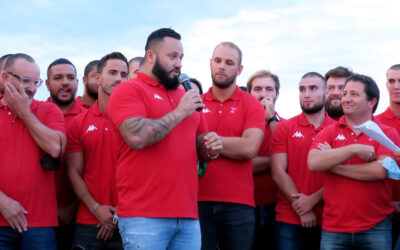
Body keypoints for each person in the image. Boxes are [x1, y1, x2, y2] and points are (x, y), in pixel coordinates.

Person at [107, 28, 222, 250]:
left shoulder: (185, 96)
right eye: (172, 56)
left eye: (181, 57)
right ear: (150, 56)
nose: (178, 63)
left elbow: (201, 148)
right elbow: (136, 137)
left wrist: (212, 147)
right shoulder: (128, 90)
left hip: (188, 216)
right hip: (143, 216)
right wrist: (180, 112)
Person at [308, 74, 399, 250]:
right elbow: (313, 163)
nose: (346, 99)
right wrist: (353, 150)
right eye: (345, 94)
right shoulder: (328, 132)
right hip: (334, 228)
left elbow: (380, 171)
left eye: (354, 94)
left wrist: (333, 164)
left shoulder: (387, 132)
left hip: (376, 226)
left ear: (371, 102)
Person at [198, 42, 265, 250]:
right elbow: (187, 147)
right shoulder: (195, 103)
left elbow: (249, 148)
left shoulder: (252, 104)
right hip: (197, 201)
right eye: (217, 61)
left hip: (238, 202)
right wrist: (230, 145)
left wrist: (211, 141)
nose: (221, 66)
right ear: (210, 63)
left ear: (239, 69)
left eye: (229, 62)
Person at [0, 53, 66, 249]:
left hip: (39, 224)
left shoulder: (49, 110)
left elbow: (56, 148)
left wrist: (24, 113)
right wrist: (2, 201)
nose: (31, 88)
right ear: (5, 77)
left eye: (36, 82)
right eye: (25, 81)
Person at [66, 52, 128, 249]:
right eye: (112, 72)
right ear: (97, 78)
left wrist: (120, 213)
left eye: (124, 74)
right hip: (88, 220)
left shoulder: (135, 121)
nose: (119, 78)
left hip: (129, 219)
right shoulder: (80, 122)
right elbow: (74, 172)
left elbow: (146, 171)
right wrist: (96, 209)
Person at [271, 72, 335, 250]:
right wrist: (303, 208)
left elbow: (341, 173)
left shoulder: (338, 129)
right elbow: (278, 171)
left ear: (326, 92)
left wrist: (312, 200)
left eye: (313, 88)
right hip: (288, 216)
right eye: (302, 89)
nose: (306, 94)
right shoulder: (285, 127)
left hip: (329, 218)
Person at [46, 58, 86, 250]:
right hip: (37, 214)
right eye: (58, 78)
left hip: (82, 213)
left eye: (70, 77)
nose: (65, 82)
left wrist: (72, 206)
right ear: (46, 83)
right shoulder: (33, 114)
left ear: (78, 83)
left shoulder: (90, 116)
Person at [247, 69, 282, 250]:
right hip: (246, 205)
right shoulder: (242, 124)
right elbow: (243, 165)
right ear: (249, 93)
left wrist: (271, 118)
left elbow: (290, 159)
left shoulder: (284, 124)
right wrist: (274, 162)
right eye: (258, 89)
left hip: (277, 207)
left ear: (277, 93)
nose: (263, 94)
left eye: (269, 89)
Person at [376, 64, 400, 248]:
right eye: (392, 81)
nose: (396, 86)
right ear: (386, 85)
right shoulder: (375, 123)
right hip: (382, 210)